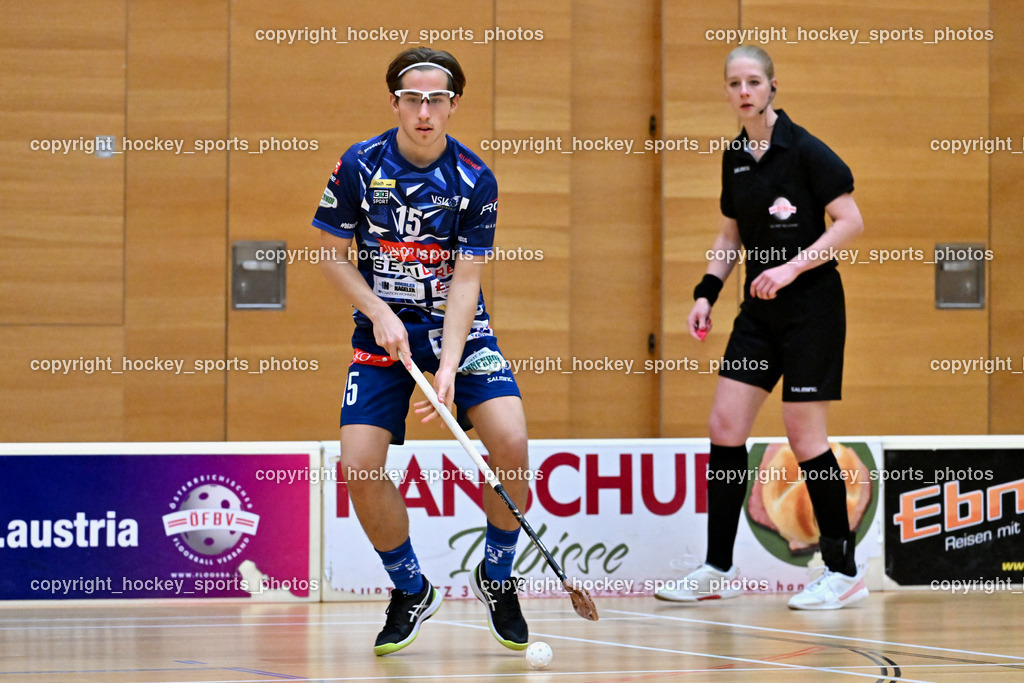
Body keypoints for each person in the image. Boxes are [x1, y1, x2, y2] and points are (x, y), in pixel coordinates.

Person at [314, 47, 531, 654]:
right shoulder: (358, 165)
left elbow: (467, 281)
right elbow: (329, 253)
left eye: (437, 100)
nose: (425, 111)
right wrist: (379, 312)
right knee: (358, 464)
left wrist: (448, 369)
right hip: (382, 334)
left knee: (509, 439)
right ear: (396, 103)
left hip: (458, 331)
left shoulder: (475, 179)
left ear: (453, 105)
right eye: (414, 99)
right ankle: (411, 589)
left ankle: (497, 573)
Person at [655, 45, 866, 610]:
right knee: (725, 427)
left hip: (812, 311)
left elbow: (850, 222)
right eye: (734, 83)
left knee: (804, 438)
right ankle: (716, 567)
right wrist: (706, 293)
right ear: (727, 92)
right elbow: (729, 238)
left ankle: (842, 569)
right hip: (758, 313)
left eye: (753, 81)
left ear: (773, 87)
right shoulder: (736, 157)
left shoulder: (806, 151)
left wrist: (795, 265)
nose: (744, 91)